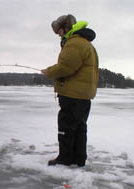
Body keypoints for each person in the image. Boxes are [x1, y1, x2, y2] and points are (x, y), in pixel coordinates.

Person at [41, 14, 99, 167]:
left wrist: (48, 72)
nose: (58, 35)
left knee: (66, 127)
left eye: (59, 32)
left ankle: (65, 159)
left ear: (65, 28)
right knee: (79, 128)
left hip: (73, 95)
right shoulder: (84, 43)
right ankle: (78, 159)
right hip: (83, 95)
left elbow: (65, 67)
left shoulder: (74, 43)